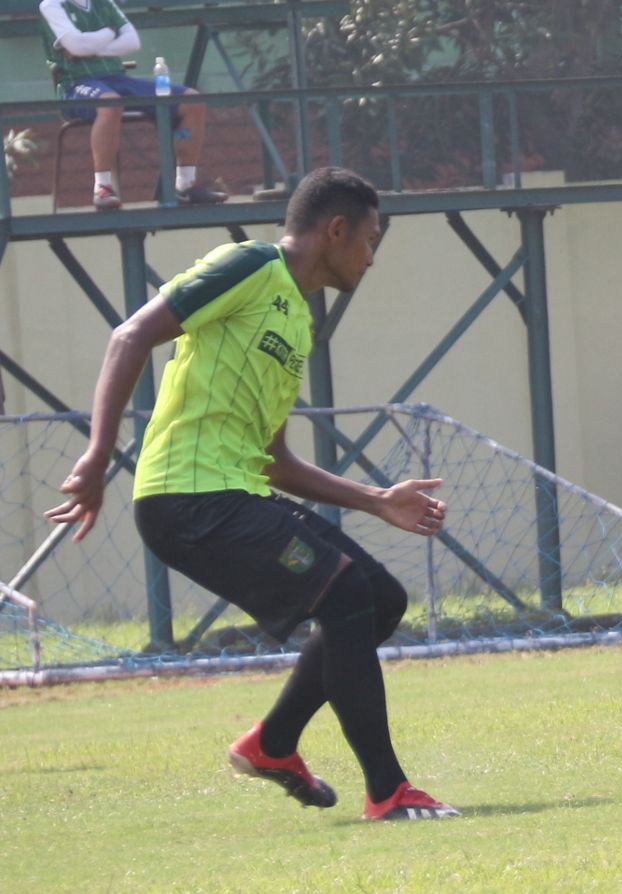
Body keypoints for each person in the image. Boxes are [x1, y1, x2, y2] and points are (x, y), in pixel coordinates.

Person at [45, 167, 457, 821]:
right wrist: (97, 456)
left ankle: (272, 744)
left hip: (233, 497)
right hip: (187, 500)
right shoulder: (248, 266)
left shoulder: (297, 317)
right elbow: (129, 336)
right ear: (336, 230)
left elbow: (273, 458)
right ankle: (389, 791)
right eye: (370, 240)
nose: (372, 258)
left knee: (379, 600)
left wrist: (375, 499)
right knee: (347, 592)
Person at [38, 0, 229, 211]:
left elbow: (132, 42)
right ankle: (103, 187)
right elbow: (76, 46)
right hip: (76, 84)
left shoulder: (104, 3)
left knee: (192, 101)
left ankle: (185, 185)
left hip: (117, 78)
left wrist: (92, 48)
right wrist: (110, 33)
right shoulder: (51, 5)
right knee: (110, 103)